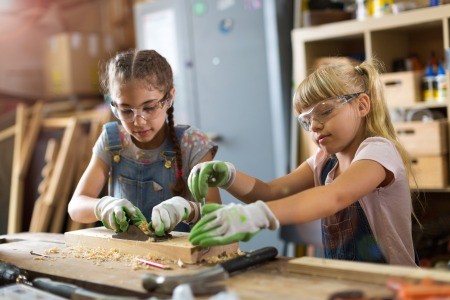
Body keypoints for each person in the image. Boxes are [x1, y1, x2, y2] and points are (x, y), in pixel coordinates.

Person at [187, 58, 419, 266]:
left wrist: (255, 216)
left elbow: (335, 196)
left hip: (395, 287)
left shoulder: (378, 150)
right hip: (350, 284)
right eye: (306, 121)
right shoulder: (323, 162)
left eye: (325, 111)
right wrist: (229, 177)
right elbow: (270, 192)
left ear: (361, 105)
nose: (315, 126)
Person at [68, 49, 220, 235]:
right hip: (126, 256)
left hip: (178, 259)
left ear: (169, 98)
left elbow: (217, 216)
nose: (138, 121)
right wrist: (102, 207)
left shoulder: (192, 143)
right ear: (114, 105)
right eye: (126, 110)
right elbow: (75, 206)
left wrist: (190, 210)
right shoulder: (113, 140)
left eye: (149, 108)